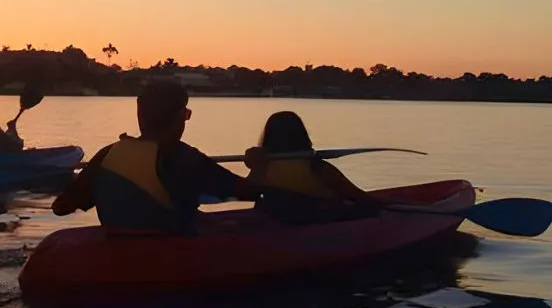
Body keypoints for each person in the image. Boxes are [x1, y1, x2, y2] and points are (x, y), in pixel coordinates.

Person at [51, 80, 269, 235]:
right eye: (186, 114)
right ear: (180, 117)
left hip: (116, 252)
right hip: (169, 254)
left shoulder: (108, 154)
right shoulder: (185, 159)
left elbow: (61, 207)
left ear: (141, 116)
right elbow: (251, 191)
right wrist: (258, 166)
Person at [246, 111, 384, 224]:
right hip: (317, 225)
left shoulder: (261, 168)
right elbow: (361, 198)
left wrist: (255, 165)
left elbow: (247, 192)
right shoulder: (318, 168)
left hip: (278, 224)